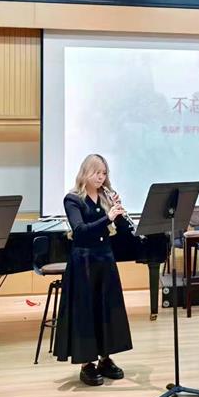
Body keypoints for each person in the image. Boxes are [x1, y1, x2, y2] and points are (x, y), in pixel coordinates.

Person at [54, 154, 133, 385]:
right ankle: (86, 363)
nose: (101, 177)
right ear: (85, 173)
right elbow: (80, 231)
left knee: (107, 308)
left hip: (105, 258)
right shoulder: (73, 199)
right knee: (86, 311)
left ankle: (105, 358)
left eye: (104, 173)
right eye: (96, 172)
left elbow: (122, 230)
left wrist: (119, 212)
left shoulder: (106, 196)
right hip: (84, 261)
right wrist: (108, 218)